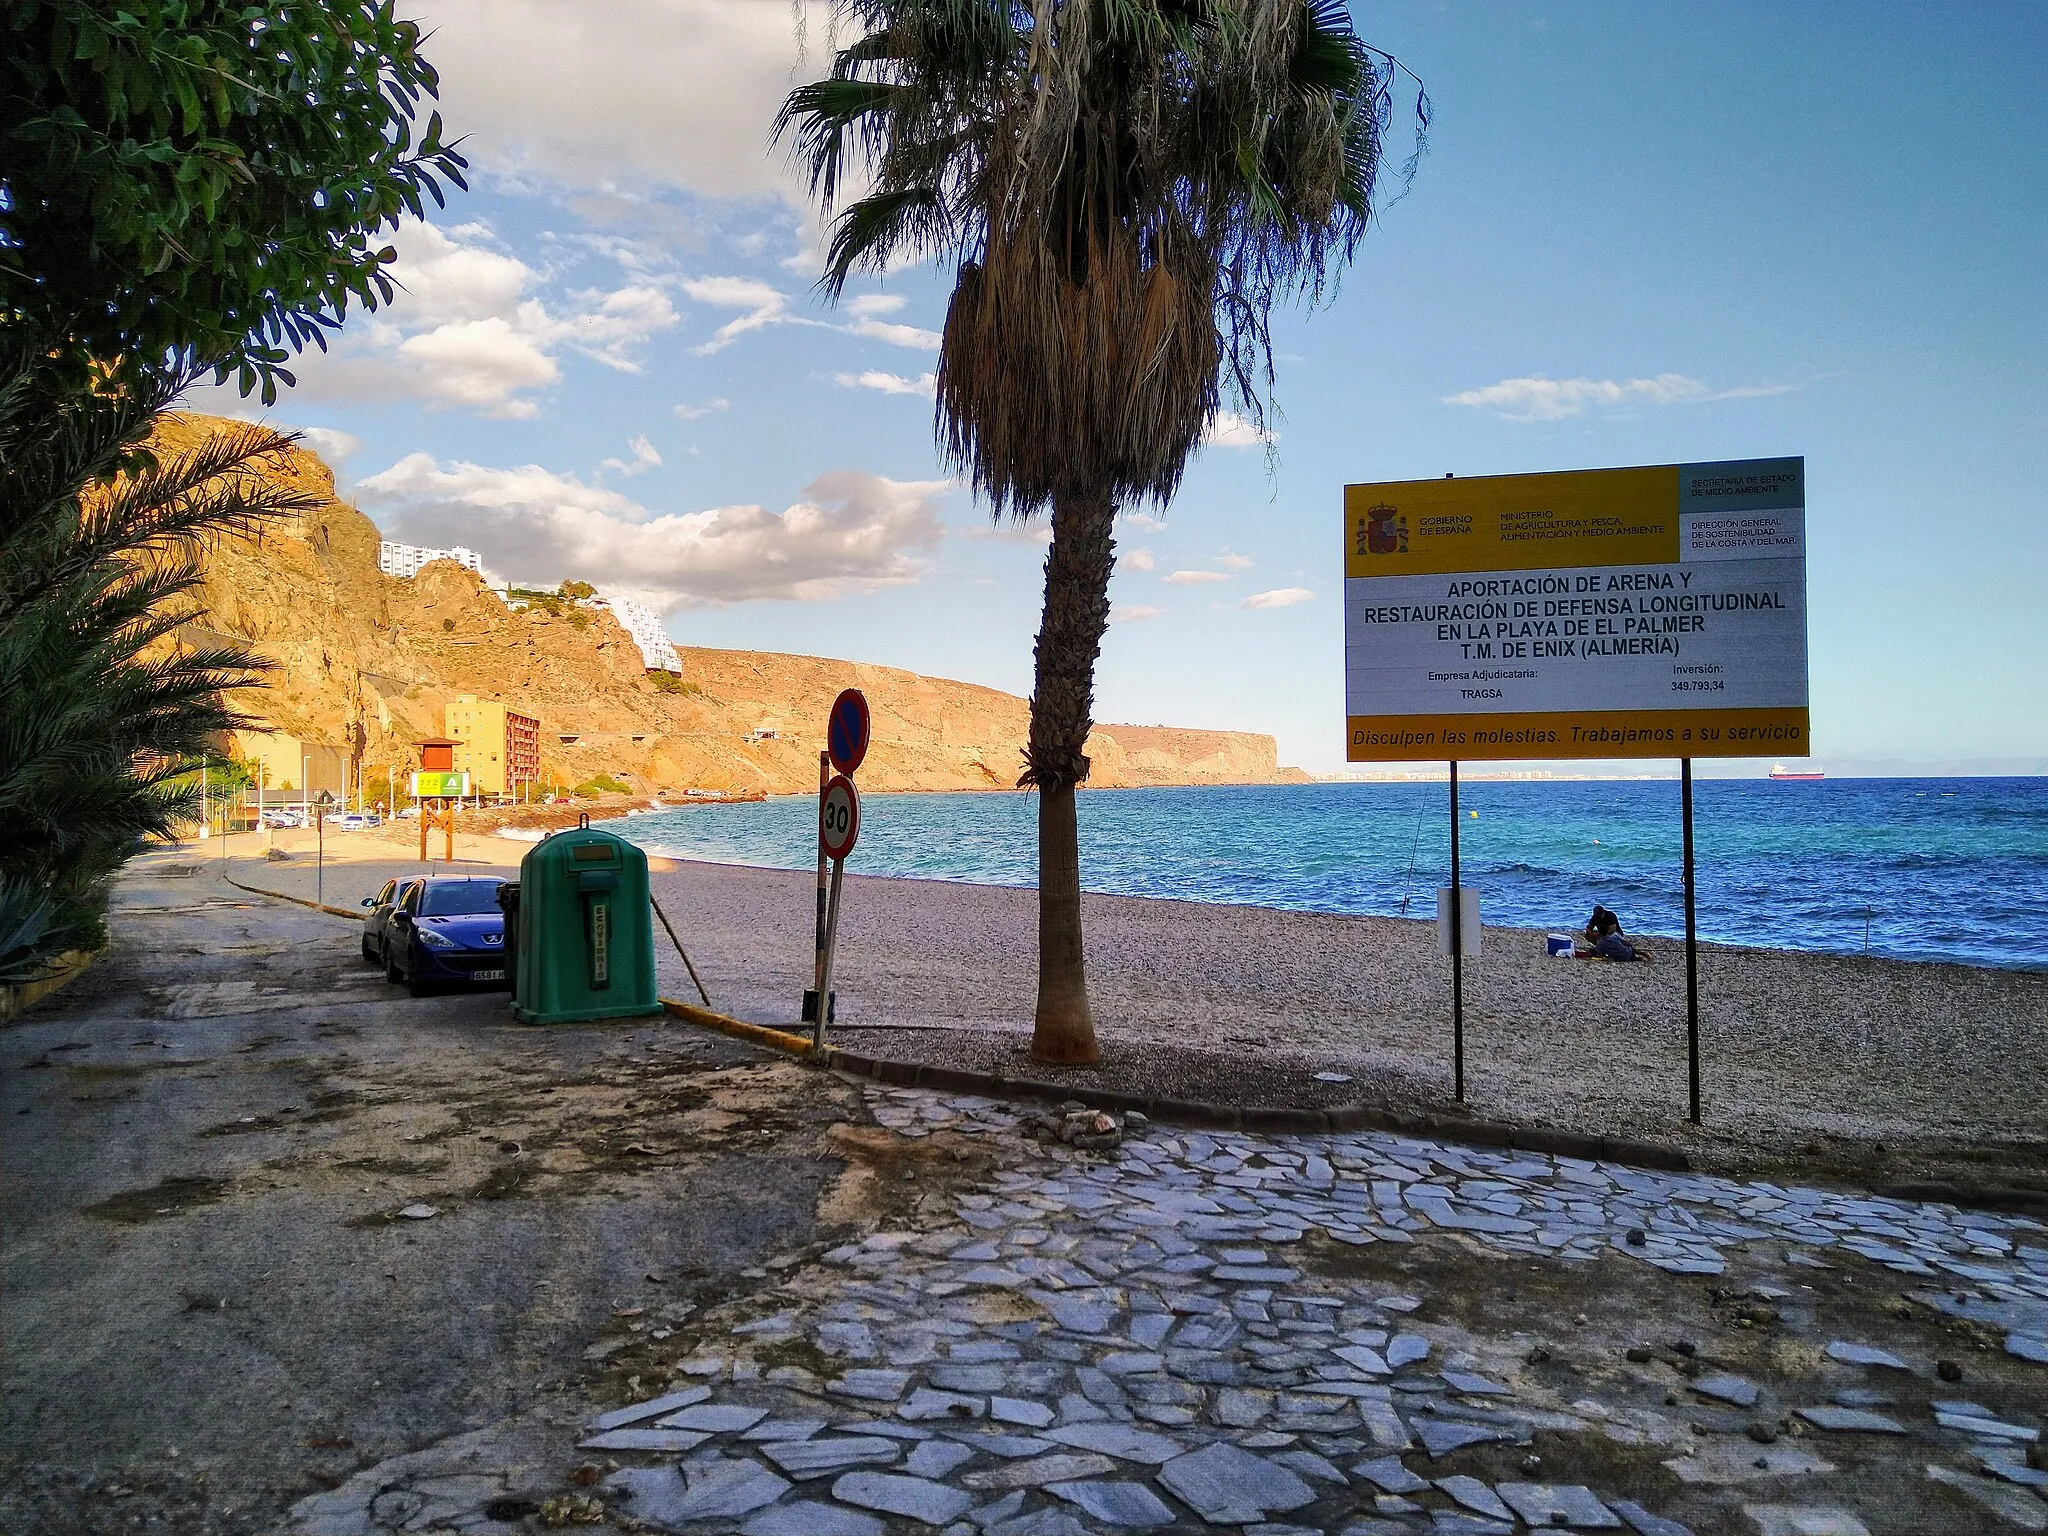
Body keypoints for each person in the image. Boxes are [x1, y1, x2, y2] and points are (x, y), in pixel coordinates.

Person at [1582, 905, 1651, 962]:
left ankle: (1605, 949)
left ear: (1603, 913)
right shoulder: (1595, 917)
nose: (1597, 917)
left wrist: (1600, 936)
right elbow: (1589, 927)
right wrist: (1591, 933)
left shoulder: (1610, 915)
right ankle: (1606, 949)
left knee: (1608, 943)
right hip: (1605, 936)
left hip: (1614, 933)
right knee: (1589, 936)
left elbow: (1612, 930)